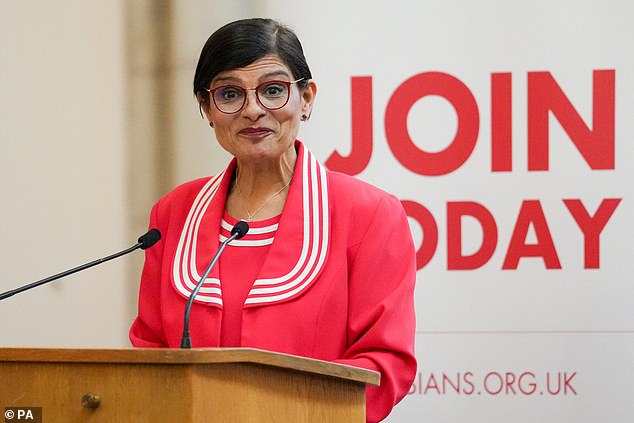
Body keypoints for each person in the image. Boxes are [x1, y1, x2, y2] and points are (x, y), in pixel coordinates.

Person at [129, 18, 416, 422]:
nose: (252, 110)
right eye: (229, 94)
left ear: (307, 98)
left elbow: (385, 365)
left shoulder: (369, 215)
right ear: (207, 108)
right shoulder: (174, 213)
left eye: (274, 90)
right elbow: (150, 348)